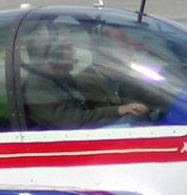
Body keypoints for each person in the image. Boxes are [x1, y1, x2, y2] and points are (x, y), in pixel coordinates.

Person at [22, 27, 150, 129]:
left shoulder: (61, 79)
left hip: (78, 135)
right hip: (67, 143)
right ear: (54, 53)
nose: (74, 52)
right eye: (69, 47)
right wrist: (118, 111)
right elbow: (72, 121)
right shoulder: (37, 86)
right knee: (134, 120)